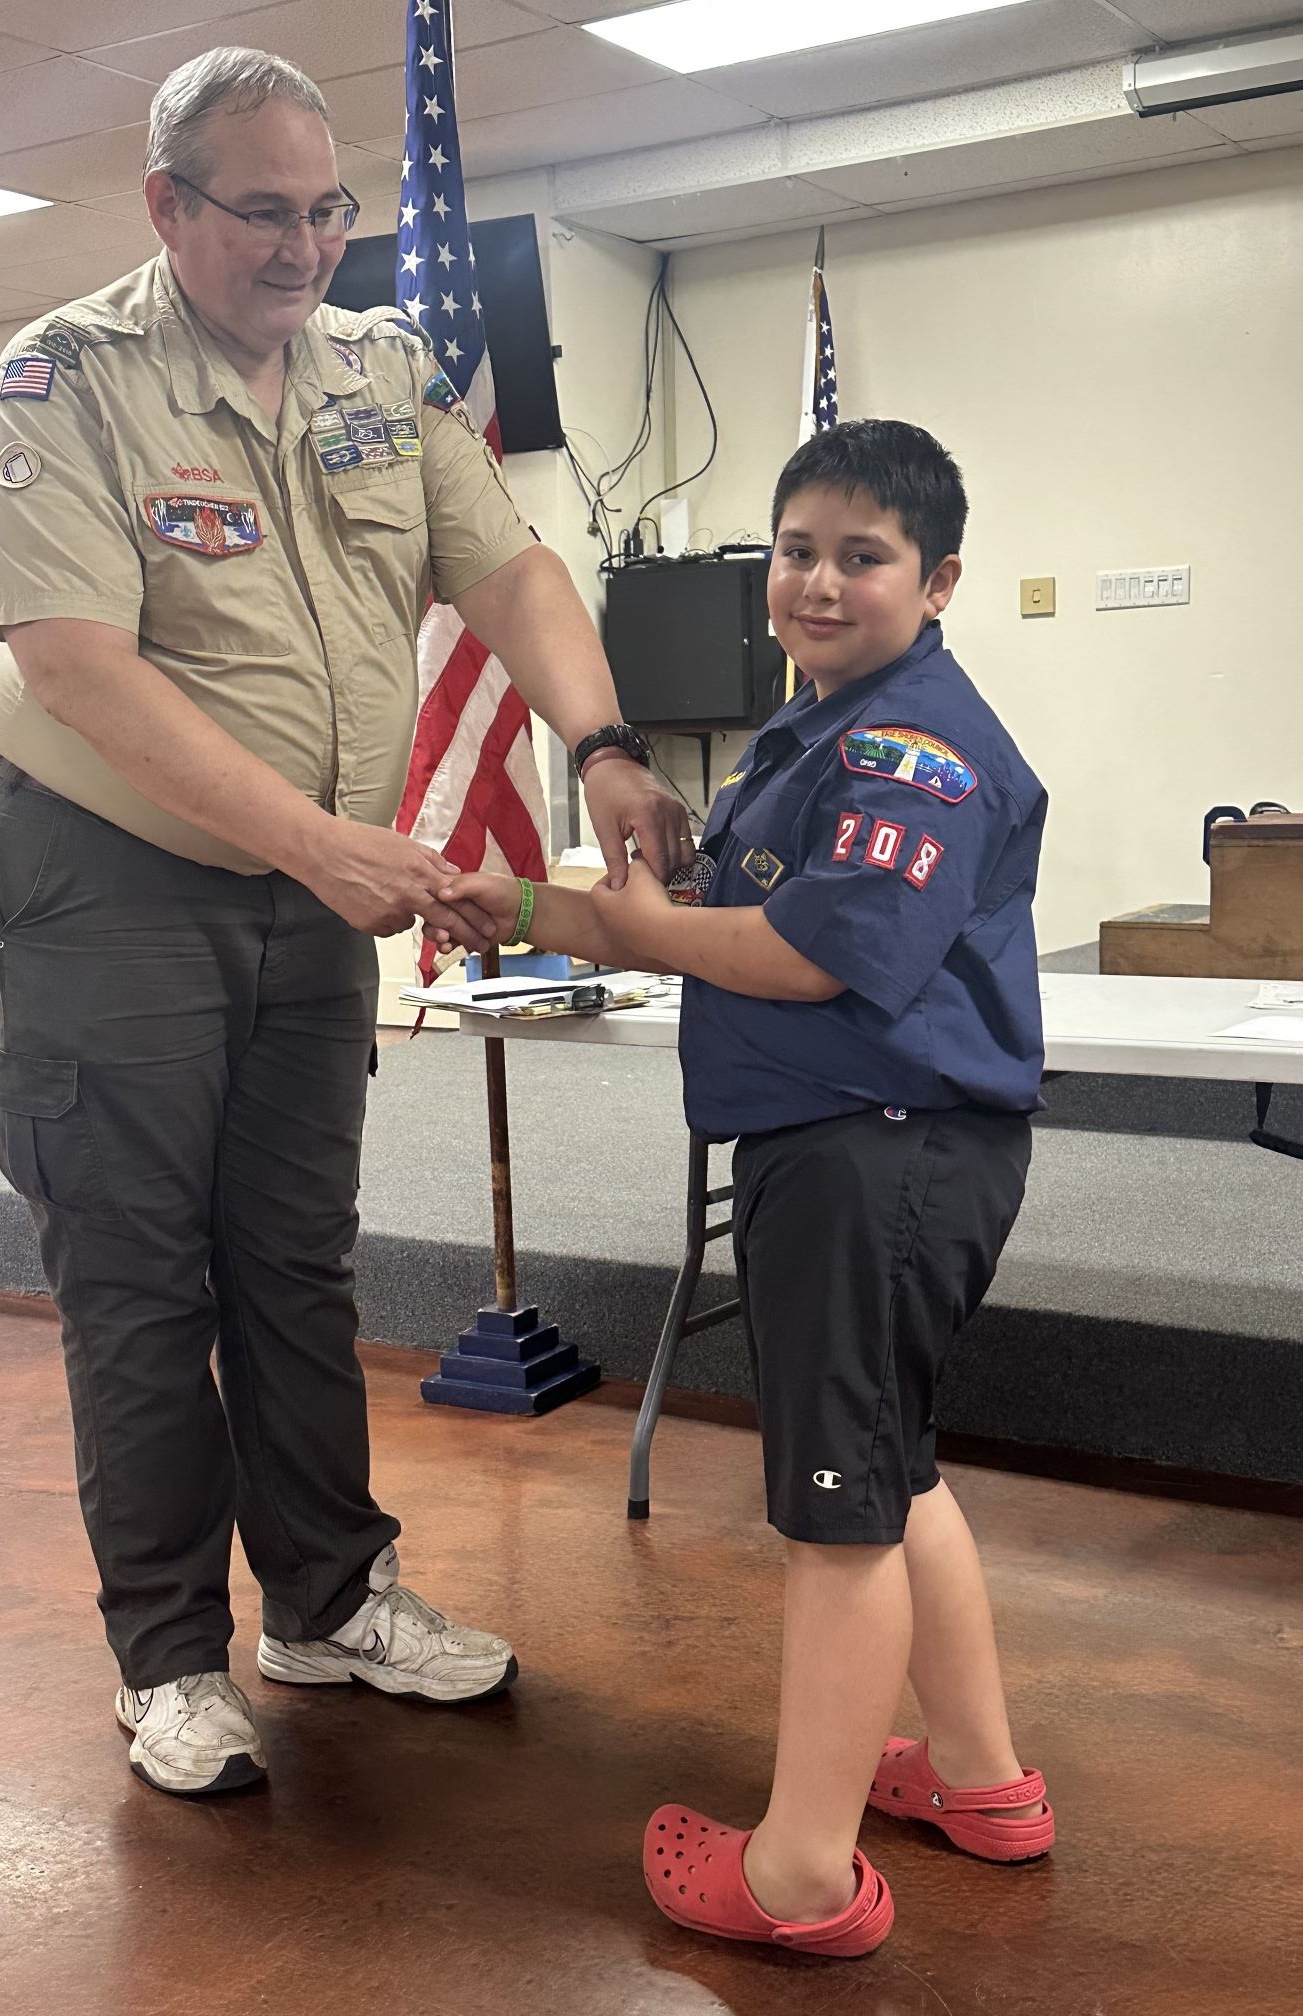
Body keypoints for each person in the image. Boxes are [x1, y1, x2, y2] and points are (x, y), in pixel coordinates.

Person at [0, 46, 689, 1799]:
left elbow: (506, 568)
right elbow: (74, 665)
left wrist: (599, 742)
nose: (304, 249)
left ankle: (329, 1601)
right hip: (109, 880)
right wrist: (318, 844)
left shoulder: (383, 367)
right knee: (141, 1278)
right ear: (169, 206)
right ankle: (166, 1660)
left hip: (311, 885)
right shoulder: (66, 380)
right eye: (264, 213)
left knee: (292, 1263)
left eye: (328, 211)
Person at [439, 419, 1054, 1958]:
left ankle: (800, 1879)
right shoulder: (820, 725)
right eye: (796, 551)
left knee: (840, 1515)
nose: (820, 583)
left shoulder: (914, 749)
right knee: (893, 1467)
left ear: (941, 580)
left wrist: (605, 918)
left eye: (865, 558)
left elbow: (806, 957)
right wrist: (576, 891)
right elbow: (733, 906)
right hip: (859, 1145)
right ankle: (981, 1777)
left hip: (874, 1152)